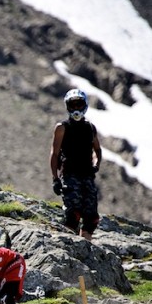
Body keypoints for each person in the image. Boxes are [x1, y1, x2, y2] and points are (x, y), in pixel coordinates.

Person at [50, 88, 103, 240]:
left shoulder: (90, 128)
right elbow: (54, 153)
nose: (76, 109)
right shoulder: (62, 127)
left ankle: (84, 247)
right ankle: (67, 246)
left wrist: (96, 164)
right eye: (72, 105)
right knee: (73, 214)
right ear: (67, 107)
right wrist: (55, 179)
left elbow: (97, 150)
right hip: (69, 175)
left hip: (87, 176)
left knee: (91, 217)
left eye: (79, 105)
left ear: (84, 106)